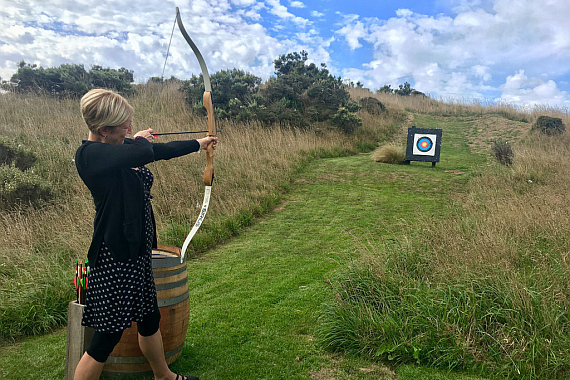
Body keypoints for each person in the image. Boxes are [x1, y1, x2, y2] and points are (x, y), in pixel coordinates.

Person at [74, 88, 216, 380]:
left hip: (138, 252)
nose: (129, 128)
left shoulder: (116, 146)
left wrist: (199, 144)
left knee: (150, 319)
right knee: (104, 340)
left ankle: (163, 376)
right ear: (103, 130)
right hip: (115, 257)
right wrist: (139, 139)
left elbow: (155, 152)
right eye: (124, 125)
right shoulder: (89, 155)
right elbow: (142, 149)